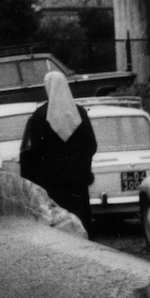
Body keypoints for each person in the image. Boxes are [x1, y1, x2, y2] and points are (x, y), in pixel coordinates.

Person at [18, 70, 97, 232]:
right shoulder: (80, 113)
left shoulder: (39, 116)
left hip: (50, 183)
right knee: (79, 222)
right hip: (77, 182)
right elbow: (91, 145)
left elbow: (30, 153)